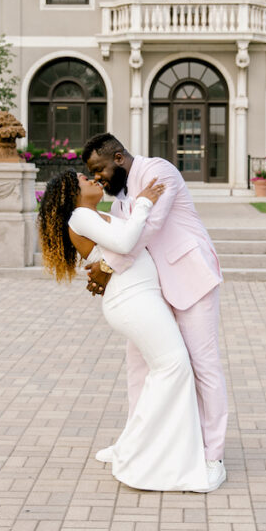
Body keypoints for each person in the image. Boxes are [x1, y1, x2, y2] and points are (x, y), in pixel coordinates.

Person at [36, 170, 215, 492]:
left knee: (166, 370)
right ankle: (144, 458)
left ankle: (136, 447)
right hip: (131, 300)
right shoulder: (79, 216)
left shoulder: (98, 214)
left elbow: (124, 249)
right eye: (83, 178)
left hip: (143, 298)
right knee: (173, 368)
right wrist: (144, 204)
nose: (92, 178)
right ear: (70, 193)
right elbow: (124, 242)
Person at [81, 133, 227, 490]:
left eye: (98, 169)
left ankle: (213, 457)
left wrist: (108, 267)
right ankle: (134, 445)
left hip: (190, 277)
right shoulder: (119, 200)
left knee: (203, 366)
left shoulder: (158, 172)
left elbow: (149, 227)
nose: (98, 177)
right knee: (139, 367)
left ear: (118, 157)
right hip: (152, 290)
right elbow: (119, 231)